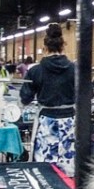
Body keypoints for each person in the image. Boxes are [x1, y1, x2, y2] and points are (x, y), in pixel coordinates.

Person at [20, 24, 76, 176]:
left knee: (45, 172)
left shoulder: (35, 71)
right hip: (70, 124)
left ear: (44, 47)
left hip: (46, 123)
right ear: (63, 45)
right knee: (70, 171)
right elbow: (89, 95)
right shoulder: (75, 70)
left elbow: (25, 98)